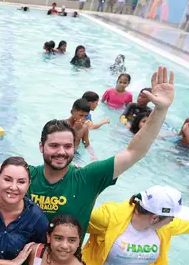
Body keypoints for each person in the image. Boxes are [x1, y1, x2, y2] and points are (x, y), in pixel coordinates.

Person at [27, 67, 176, 231]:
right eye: (54, 145)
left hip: (68, 256)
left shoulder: (88, 178)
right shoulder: (25, 177)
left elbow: (134, 152)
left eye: (68, 146)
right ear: (41, 146)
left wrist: (161, 110)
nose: (61, 152)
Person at [83, 186, 189, 265]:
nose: (173, 221)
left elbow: (187, 225)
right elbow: (74, 222)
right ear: (155, 218)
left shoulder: (164, 227)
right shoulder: (108, 217)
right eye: (172, 218)